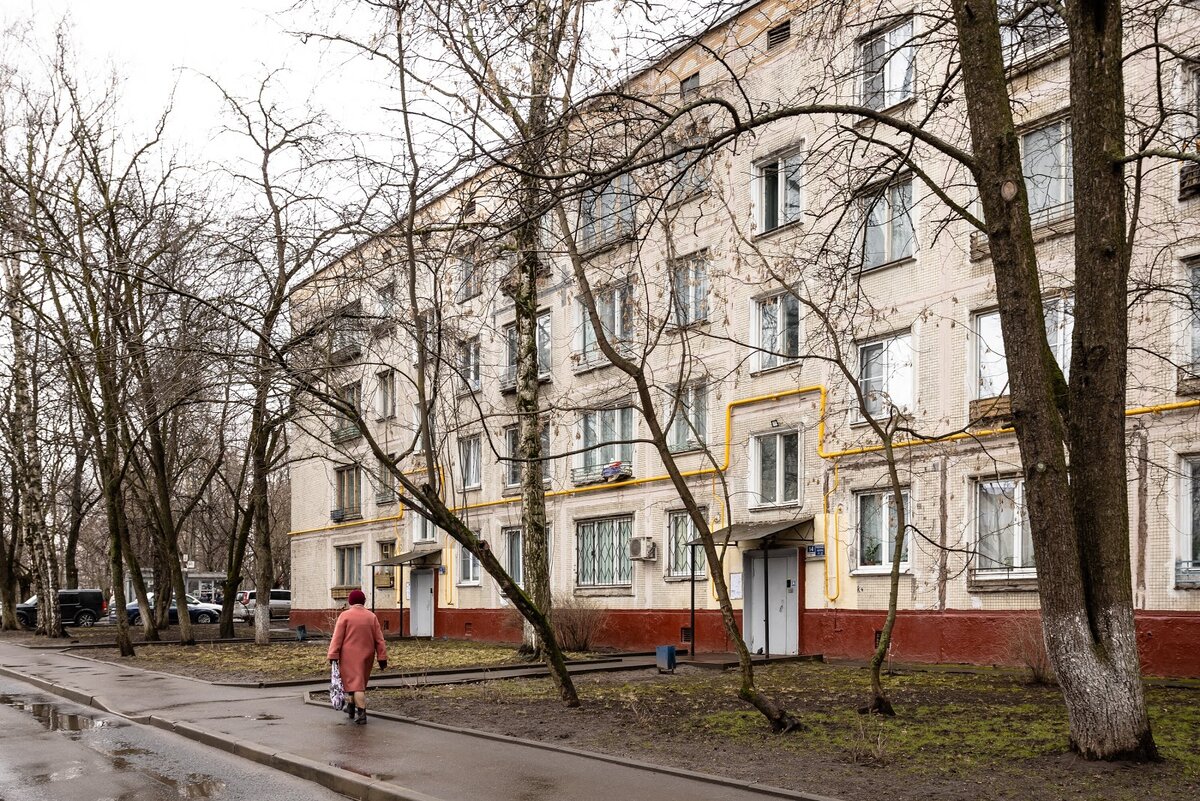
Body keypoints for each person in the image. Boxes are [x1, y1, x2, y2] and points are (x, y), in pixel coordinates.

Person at [327, 589, 388, 724]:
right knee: (355, 683)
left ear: (350, 601)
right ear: (363, 601)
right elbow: (379, 639)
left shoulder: (345, 616)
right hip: (367, 655)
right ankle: (351, 707)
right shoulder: (371, 617)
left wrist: (333, 655)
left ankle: (362, 714)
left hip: (348, 656)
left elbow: (337, 637)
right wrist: (382, 657)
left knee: (355, 685)